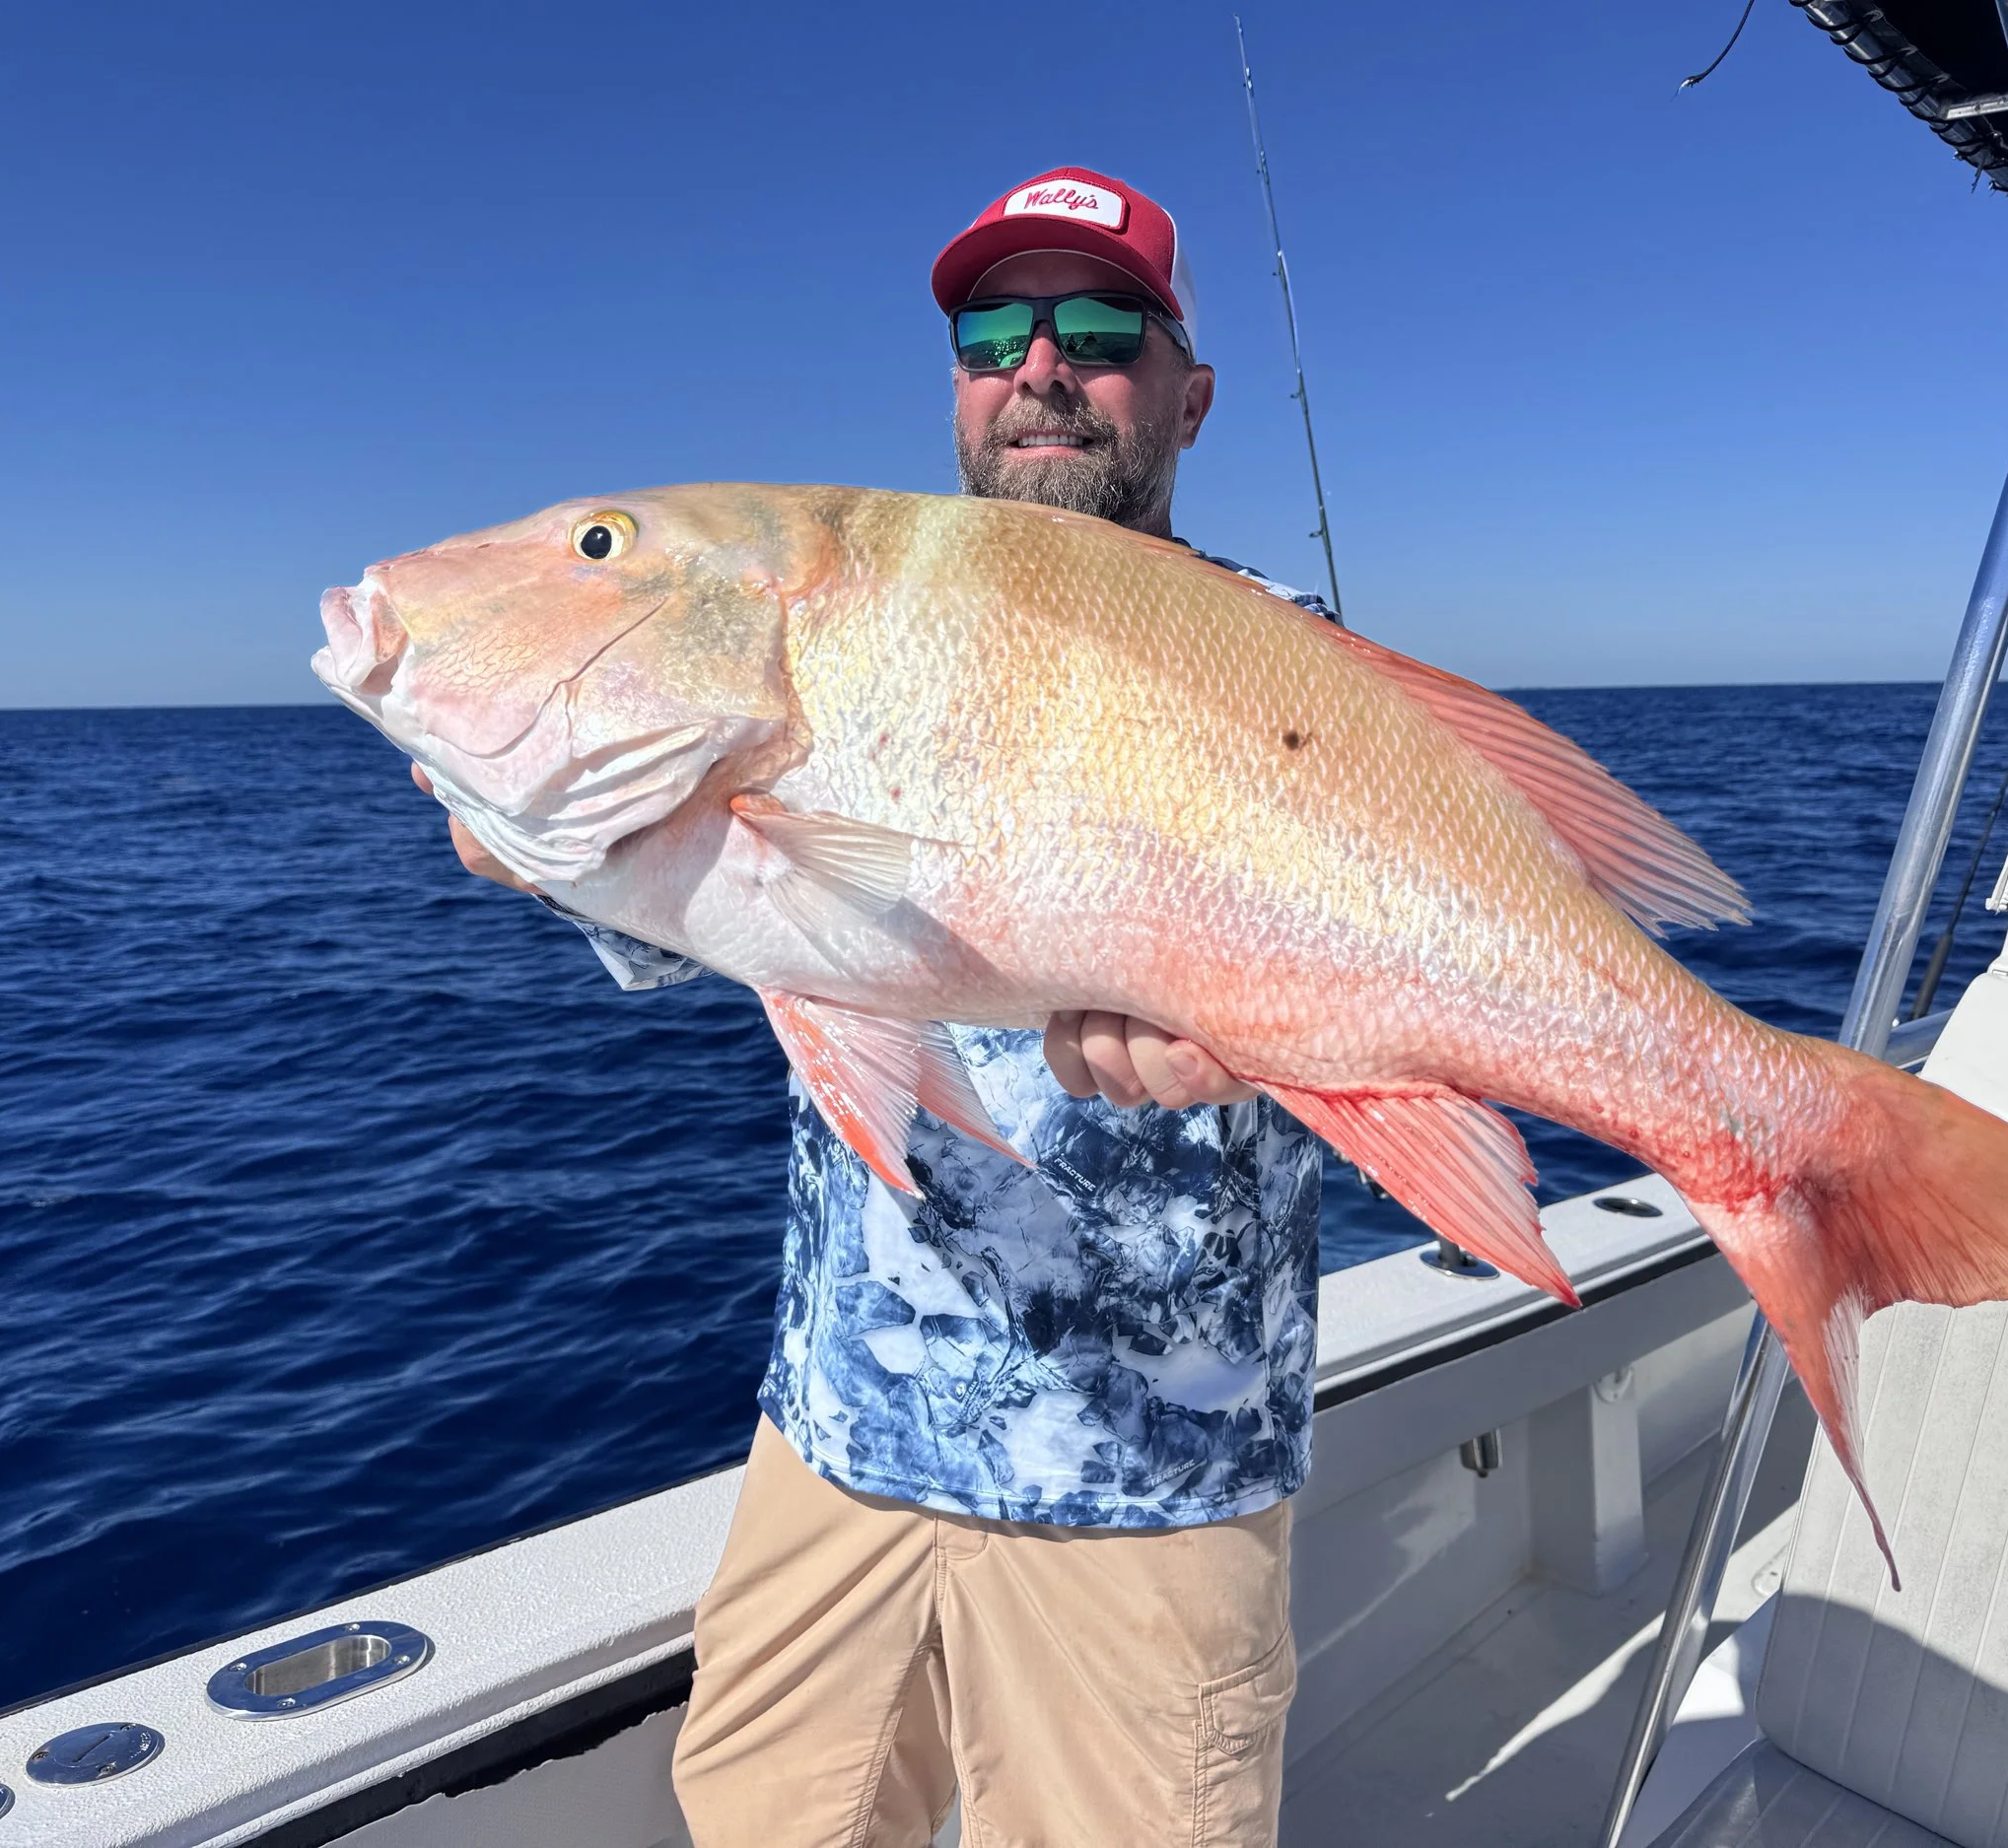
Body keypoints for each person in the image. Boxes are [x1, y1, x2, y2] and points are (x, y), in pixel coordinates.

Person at [420, 165, 1337, 1847]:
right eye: (994, 328)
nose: (1040, 365)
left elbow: (1370, 992)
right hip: (839, 1435)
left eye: (1101, 328)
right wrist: (568, 835)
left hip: (1141, 1483)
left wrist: (1256, 1046)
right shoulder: (834, 624)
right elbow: (736, 913)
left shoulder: (1278, 658)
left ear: (1189, 394)